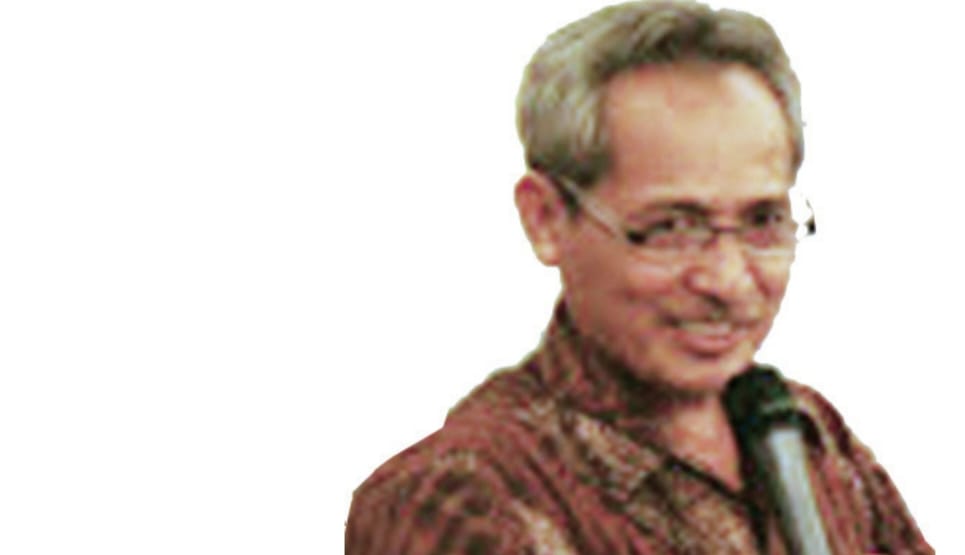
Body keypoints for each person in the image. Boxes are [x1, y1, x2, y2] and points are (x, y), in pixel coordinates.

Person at [345, 1, 932, 553]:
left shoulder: (805, 434)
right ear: (546, 219)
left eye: (762, 221)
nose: (728, 281)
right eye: (672, 227)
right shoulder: (465, 494)